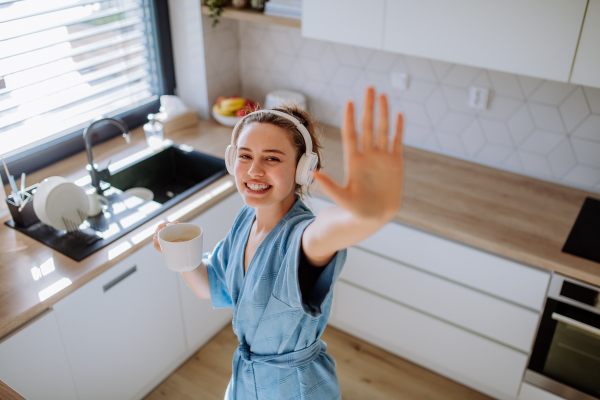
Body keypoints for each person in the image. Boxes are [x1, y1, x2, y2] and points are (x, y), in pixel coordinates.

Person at [153, 86, 404, 400]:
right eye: (245, 156)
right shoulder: (246, 220)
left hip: (295, 389)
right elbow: (210, 286)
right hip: (246, 383)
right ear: (232, 160)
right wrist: (182, 254)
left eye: (272, 158)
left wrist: (369, 215)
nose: (255, 170)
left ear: (302, 170)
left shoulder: (302, 239)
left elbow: (327, 230)